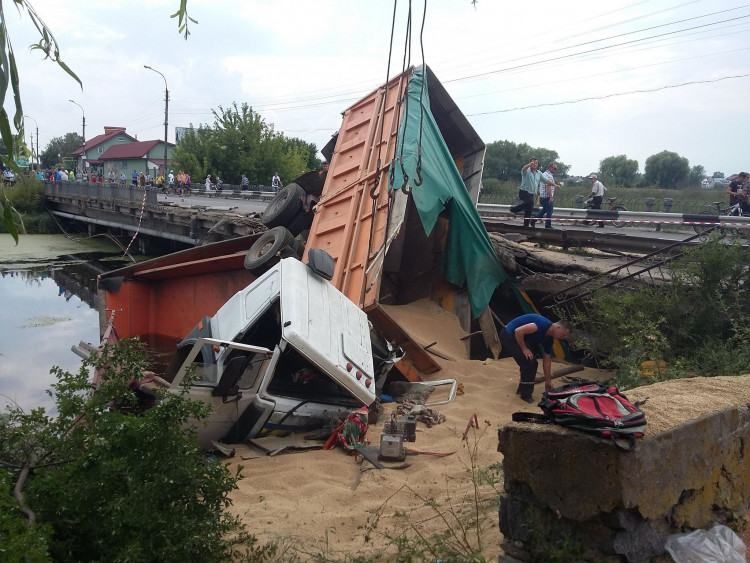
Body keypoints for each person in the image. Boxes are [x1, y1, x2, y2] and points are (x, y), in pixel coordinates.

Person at [501, 314, 572, 403]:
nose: (563, 337)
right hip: (509, 334)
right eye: (564, 334)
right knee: (529, 363)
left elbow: (547, 360)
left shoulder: (549, 339)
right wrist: (524, 349)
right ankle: (525, 395)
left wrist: (548, 381)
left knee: (532, 363)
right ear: (558, 327)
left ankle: (522, 389)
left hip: (520, 338)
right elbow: (518, 331)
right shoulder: (542, 324)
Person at [510, 158, 553, 227]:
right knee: (530, 202)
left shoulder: (539, 173)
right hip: (523, 192)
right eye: (533, 163)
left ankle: (526, 225)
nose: (535, 164)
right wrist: (529, 165)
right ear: (530, 164)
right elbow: (523, 169)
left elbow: (546, 181)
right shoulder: (526, 171)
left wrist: (554, 184)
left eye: (536, 163)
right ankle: (514, 209)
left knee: (529, 209)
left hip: (531, 194)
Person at [532, 162, 560, 229]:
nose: (555, 170)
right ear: (550, 167)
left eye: (556, 169)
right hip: (547, 197)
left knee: (544, 210)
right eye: (554, 168)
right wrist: (551, 197)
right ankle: (548, 225)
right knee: (550, 211)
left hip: (543, 197)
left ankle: (533, 220)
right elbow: (548, 186)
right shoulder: (549, 175)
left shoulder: (544, 174)